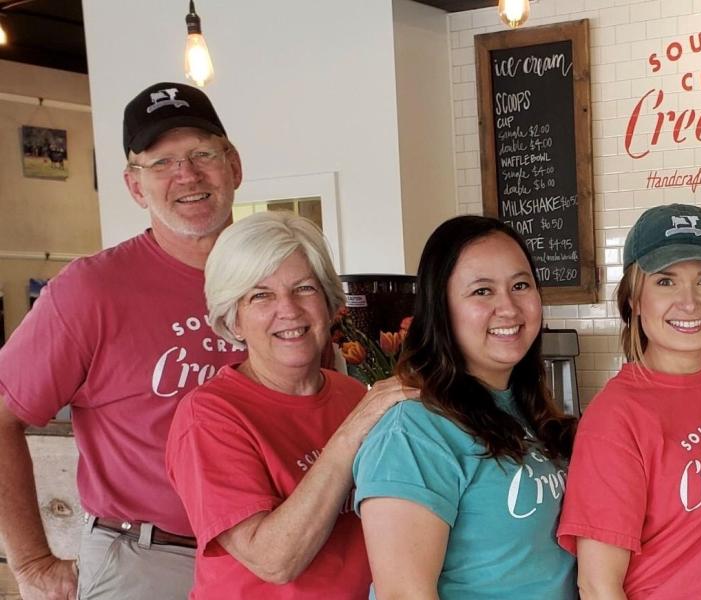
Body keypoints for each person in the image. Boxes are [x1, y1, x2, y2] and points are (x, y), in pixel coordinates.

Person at [0, 82, 245, 600]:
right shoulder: (89, 290)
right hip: (149, 561)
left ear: (234, 166)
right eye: (161, 162)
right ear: (135, 186)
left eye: (203, 153)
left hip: (273, 555)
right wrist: (31, 562)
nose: (187, 175)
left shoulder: (276, 277)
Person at [163, 212, 412, 598]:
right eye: (261, 295)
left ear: (330, 305)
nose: (290, 310)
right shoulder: (209, 416)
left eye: (304, 289)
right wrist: (351, 432)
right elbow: (274, 561)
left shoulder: (349, 394)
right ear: (234, 320)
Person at [353, 216, 577, 599]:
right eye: (482, 291)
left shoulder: (531, 414)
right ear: (441, 309)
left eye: (520, 285)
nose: (508, 308)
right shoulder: (414, 431)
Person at [559, 204, 701, 600]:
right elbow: (597, 585)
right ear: (634, 299)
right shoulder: (614, 419)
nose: (689, 303)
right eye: (665, 282)